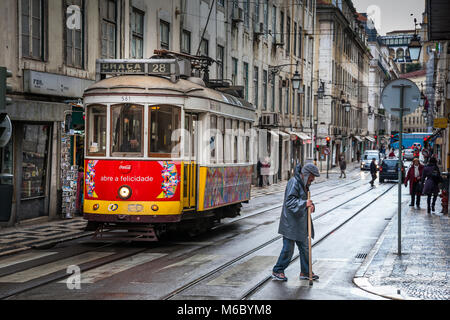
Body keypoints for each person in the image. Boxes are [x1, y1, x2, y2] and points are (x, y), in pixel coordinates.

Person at [272, 163, 320, 282]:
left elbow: (305, 200)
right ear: (306, 174)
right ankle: (277, 270)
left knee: (305, 248)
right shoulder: (294, 182)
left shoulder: (304, 183)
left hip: (300, 222)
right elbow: (290, 202)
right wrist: (304, 204)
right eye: (312, 176)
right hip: (291, 223)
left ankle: (306, 271)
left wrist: (311, 205)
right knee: (288, 249)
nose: (313, 179)